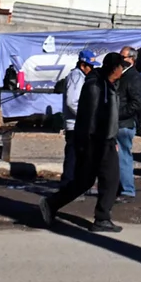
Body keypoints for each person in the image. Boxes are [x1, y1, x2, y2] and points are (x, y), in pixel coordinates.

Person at [39, 51, 127, 233]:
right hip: (96, 141)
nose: (122, 71)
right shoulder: (96, 86)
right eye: (121, 67)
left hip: (104, 139)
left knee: (85, 181)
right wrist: (91, 143)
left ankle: (51, 203)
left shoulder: (107, 84)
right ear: (114, 68)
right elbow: (90, 117)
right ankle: (102, 218)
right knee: (110, 179)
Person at [115, 45, 141, 198]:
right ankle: (118, 187)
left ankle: (127, 190)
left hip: (124, 124)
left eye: (123, 57)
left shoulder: (134, 77)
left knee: (123, 157)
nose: (120, 60)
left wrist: (117, 114)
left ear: (131, 59)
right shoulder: (121, 75)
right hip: (117, 123)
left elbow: (136, 103)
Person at [61, 49, 95, 185]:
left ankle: (75, 184)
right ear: (82, 65)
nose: (91, 69)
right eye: (90, 66)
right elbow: (72, 102)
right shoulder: (76, 77)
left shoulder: (82, 77)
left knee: (80, 156)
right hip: (75, 124)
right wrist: (86, 116)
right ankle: (68, 184)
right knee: (73, 157)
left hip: (80, 124)